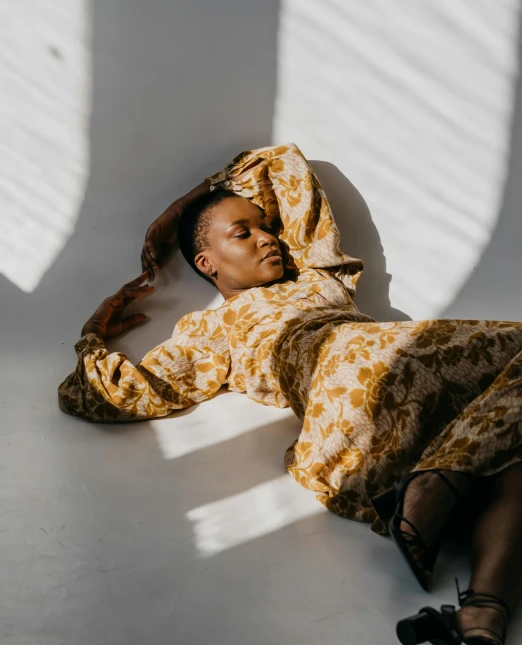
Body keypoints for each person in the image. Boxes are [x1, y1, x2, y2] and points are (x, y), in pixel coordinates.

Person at [59, 143, 522, 644]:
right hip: (352, 387)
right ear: (206, 262)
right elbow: (107, 395)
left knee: (511, 456)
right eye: (243, 233)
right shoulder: (211, 329)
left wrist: (175, 212)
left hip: (389, 400)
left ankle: (481, 616)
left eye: (268, 227)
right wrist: (93, 332)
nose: (267, 238)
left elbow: (282, 163)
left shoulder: (318, 277)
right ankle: (435, 485)